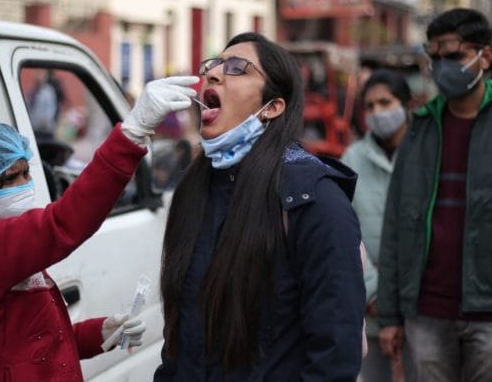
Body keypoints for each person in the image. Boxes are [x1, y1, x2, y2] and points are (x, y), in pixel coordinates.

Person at [0, 75, 199, 381]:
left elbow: (29, 345)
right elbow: (64, 222)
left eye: (26, 172)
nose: (24, 185)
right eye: (8, 178)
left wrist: (100, 332)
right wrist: (131, 136)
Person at [153, 32, 365, 381]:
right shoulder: (192, 191)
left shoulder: (314, 200)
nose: (215, 73)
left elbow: (335, 355)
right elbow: (178, 339)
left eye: (238, 68)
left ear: (273, 107)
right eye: (214, 65)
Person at [377, 8, 492, 381]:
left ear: (485, 57)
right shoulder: (422, 127)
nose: (442, 67)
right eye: (436, 58)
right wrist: (390, 316)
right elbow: (397, 223)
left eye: (454, 56)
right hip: (426, 312)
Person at [341, 69, 414, 382]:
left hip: (421, 304)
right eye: (370, 106)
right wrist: (373, 292)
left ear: (407, 105)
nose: (377, 113)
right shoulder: (352, 159)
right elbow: (345, 232)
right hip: (369, 305)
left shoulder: (426, 153)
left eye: (386, 102)